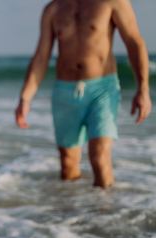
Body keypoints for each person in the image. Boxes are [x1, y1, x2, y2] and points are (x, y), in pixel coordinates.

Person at [15, 0, 151, 188]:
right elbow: (41, 57)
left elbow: (134, 41)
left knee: (99, 157)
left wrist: (143, 89)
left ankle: (105, 213)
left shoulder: (113, 2)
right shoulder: (53, 8)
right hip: (64, 92)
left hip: (102, 89)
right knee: (67, 164)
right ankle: (73, 212)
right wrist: (25, 98)